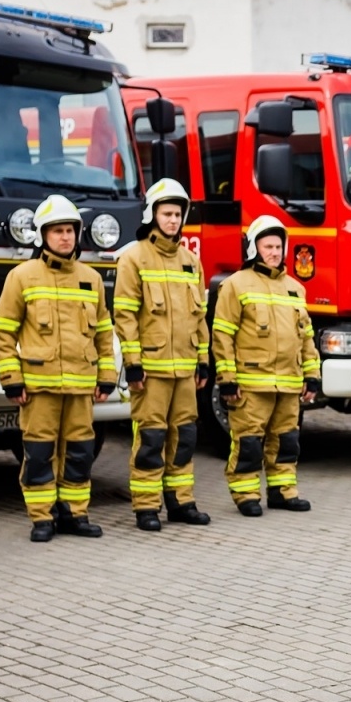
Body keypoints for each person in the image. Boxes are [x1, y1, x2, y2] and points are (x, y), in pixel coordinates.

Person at [0, 195, 116, 541]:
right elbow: (4, 331)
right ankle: (41, 517)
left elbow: (104, 332)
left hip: (81, 387)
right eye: (57, 231)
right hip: (39, 387)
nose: (65, 237)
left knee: (79, 453)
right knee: (40, 453)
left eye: (70, 230)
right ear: (41, 235)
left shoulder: (91, 278)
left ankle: (75, 514)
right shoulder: (22, 277)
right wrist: (12, 380)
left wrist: (107, 376)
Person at [113, 178, 212, 531]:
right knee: (151, 439)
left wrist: (203, 360)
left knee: (184, 438)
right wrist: (133, 364)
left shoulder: (191, 261)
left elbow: (199, 316)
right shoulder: (133, 258)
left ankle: (181, 503)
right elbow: (124, 316)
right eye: (166, 213)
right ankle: (146, 506)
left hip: (185, 370)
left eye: (177, 214)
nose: (172, 220)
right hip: (151, 371)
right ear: (152, 214)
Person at [212, 216, 322, 516]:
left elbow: (306, 338)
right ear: (254, 248)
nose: (274, 251)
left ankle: (282, 492)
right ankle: (246, 494)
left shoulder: (295, 288)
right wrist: (227, 379)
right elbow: (223, 335)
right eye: (267, 246)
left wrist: (312, 376)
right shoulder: (234, 285)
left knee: (287, 442)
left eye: (278, 246)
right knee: (248, 443)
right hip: (251, 383)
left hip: (288, 382)